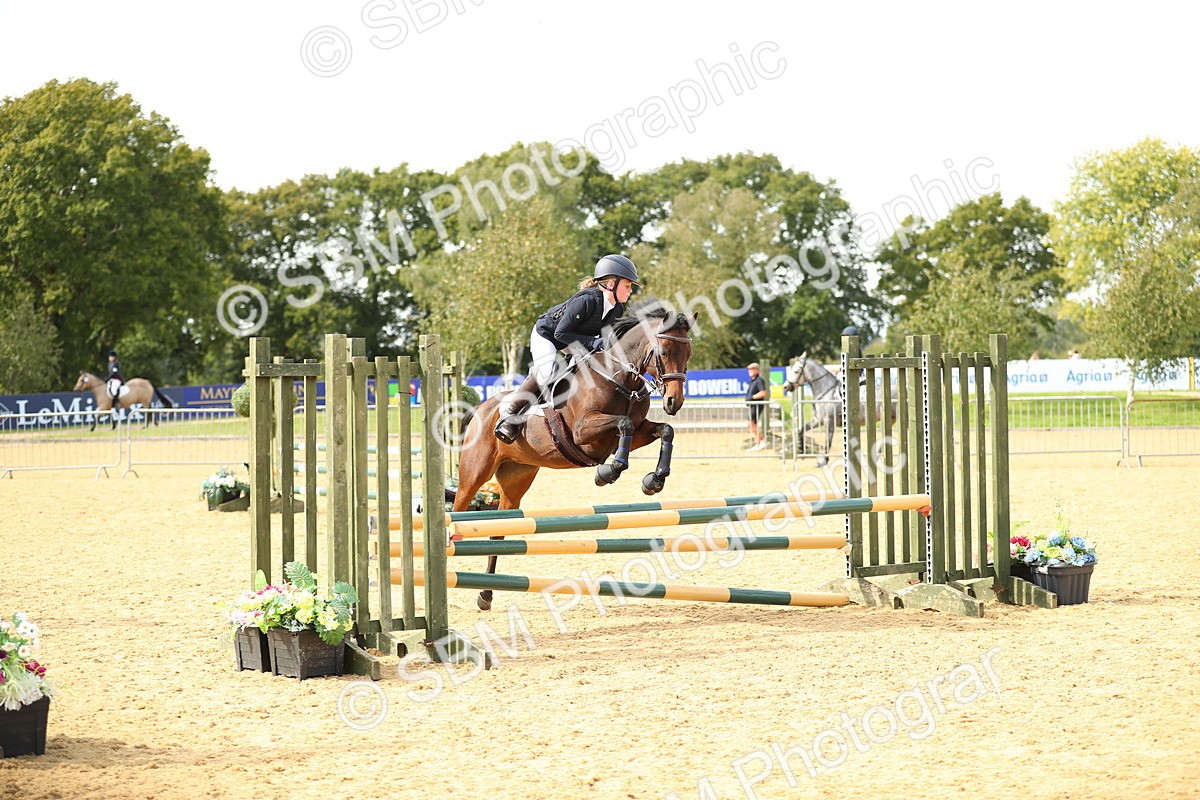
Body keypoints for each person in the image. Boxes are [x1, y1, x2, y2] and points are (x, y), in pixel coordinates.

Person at [494, 254, 639, 443]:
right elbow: (560, 334)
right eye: (627, 286)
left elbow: (603, 339)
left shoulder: (617, 309)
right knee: (547, 372)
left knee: (592, 367)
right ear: (611, 284)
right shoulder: (586, 300)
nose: (630, 291)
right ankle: (511, 414)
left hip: (573, 339)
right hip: (547, 335)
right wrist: (595, 343)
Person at [745, 362, 768, 450]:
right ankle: (757, 443)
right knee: (753, 425)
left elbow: (763, 392)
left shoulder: (759, 380)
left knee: (750, 424)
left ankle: (762, 440)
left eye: (751, 369)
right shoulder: (752, 381)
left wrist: (752, 397)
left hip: (757, 405)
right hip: (752, 405)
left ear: (757, 370)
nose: (749, 371)